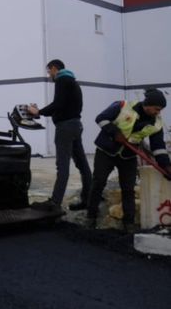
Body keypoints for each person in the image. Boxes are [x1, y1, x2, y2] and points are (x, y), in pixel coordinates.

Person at [86, 89, 170, 231]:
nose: (158, 112)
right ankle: (91, 217)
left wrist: (166, 166)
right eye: (157, 109)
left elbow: (158, 147)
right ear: (148, 104)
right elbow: (101, 118)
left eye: (160, 110)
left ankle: (129, 223)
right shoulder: (123, 106)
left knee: (128, 189)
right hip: (106, 151)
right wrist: (115, 132)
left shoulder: (156, 124)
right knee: (98, 182)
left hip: (128, 155)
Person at [28, 60, 93, 211]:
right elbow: (63, 106)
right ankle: (89, 199)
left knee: (62, 166)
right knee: (82, 164)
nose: (48, 75)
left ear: (54, 68)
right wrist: (41, 112)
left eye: (48, 71)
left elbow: (58, 104)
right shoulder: (73, 81)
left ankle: (55, 203)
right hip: (76, 125)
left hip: (65, 128)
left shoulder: (62, 80)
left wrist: (38, 112)